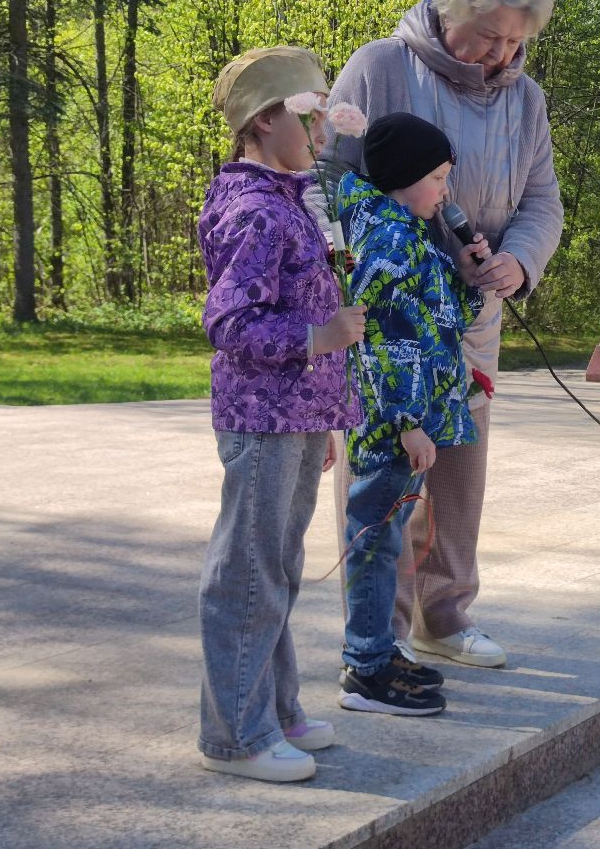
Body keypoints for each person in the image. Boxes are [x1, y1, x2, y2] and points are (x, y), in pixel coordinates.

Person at [322, 0, 564, 669]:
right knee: (386, 469)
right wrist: (394, 253)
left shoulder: (525, 99)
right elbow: (329, 181)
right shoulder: (380, 67)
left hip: (472, 316)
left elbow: (541, 201)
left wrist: (517, 261)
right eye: (490, 36)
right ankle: (380, 635)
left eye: (517, 41)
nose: (500, 54)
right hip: (389, 321)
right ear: (450, 10)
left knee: (460, 464)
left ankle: (446, 617)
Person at [195, 47, 366, 783]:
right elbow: (228, 322)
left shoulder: (291, 198)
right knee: (248, 573)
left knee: (280, 571)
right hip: (262, 419)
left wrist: (324, 413)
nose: (323, 125)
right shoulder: (257, 211)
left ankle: (276, 707)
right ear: (265, 120)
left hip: (294, 416)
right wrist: (315, 339)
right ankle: (236, 735)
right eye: (309, 111)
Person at [335, 113, 487, 715]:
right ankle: (366, 669)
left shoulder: (409, 232)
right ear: (404, 177)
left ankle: (377, 651)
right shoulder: (390, 243)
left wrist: (471, 276)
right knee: (374, 540)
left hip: (410, 421)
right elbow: (382, 339)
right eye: (439, 177)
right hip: (394, 428)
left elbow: (442, 317)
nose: (446, 192)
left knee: (386, 536)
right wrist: (406, 421)